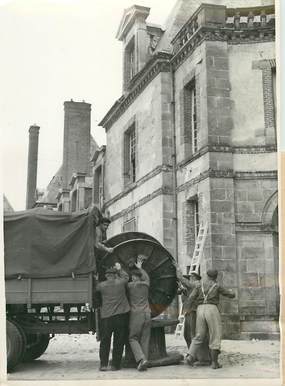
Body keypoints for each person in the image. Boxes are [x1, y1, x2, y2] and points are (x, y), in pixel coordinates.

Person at [186, 269, 235, 369]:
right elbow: (230, 295)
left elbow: (191, 297)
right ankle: (214, 363)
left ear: (207, 275)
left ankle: (190, 356)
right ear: (215, 277)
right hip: (212, 309)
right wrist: (232, 292)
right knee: (215, 335)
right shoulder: (217, 286)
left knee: (199, 335)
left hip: (200, 309)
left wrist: (188, 309)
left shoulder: (199, 285)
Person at [96, 262, 130, 371]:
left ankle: (103, 365)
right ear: (115, 275)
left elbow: (96, 288)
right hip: (120, 316)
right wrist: (120, 269)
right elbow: (126, 277)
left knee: (105, 341)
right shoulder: (120, 283)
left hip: (106, 317)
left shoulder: (102, 286)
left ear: (106, 276)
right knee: (118, 341)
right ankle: (115, 365)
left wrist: (96, 279)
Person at [176, 267, 211, 364]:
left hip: (193, 312)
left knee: (193, 335)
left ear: (194, 278)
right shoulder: (192, 287)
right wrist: (183, 290)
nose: (188, 279)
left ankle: (201, 358)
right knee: (188, 335)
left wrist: (178, 270)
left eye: (190, 277)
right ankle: (193, 355)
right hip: (189, 312)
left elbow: (184, 281)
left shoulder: (196, 284)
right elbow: (186, 293)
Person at [127, 256, 151, 371]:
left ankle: (141, 359)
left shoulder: (130, 286)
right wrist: (140, 268)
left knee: (133, 338)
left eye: (132, 277)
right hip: (147, 313)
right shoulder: (146, 284)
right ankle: (144, 360)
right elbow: (146, 277)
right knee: (145, 338)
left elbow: (124, 280)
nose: (131, 279)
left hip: (137, 314)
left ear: (134, 278)